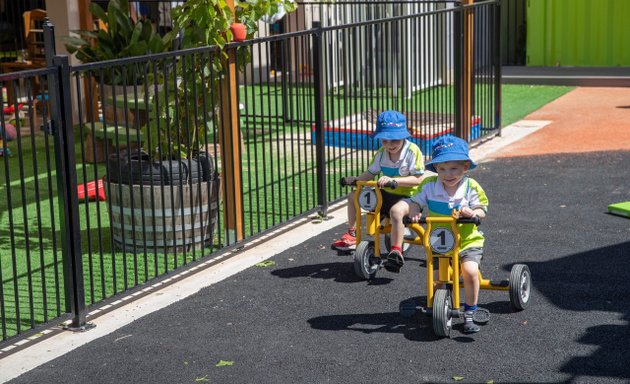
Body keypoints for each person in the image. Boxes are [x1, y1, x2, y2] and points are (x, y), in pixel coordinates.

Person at [404, 135, 488, 333]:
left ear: (465, 167)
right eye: (442, 169)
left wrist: (474, 214)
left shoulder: (470, 187)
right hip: (439, 241)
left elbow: (481, 209)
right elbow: (415, 200)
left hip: (467, 241)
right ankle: (437, 307)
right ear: (436, 170)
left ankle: (470, 312)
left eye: (453, 169)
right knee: (436, 277)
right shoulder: (429, 186)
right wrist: (414, 209)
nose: (447, 174)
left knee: (469, 271)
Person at [331, 110, 425, 252]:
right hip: (385, 195)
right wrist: (356, 180)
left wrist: (394, 180)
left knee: (396, 212)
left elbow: (418, 179)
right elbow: (370, 173)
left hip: (409, 198)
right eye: (385, 140)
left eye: (394, 140)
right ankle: (352, 232)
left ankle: (396, 250)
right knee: (353, 196)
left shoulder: (412, 151)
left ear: (403, 136)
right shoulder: (382, 153)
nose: (389, 145)